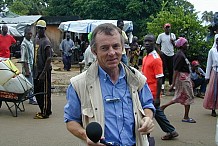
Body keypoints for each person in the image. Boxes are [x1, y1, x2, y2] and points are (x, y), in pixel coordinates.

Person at [64, 23, 155, 146]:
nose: (112, 53)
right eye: (105, 48)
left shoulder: (137, 78)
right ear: (94, 51)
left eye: (116, 46)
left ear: (122, 47)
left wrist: (148, 118)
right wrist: (85, 135)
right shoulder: (78, 85)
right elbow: (71, 121)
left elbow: (148, 104)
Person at [141, 34, 178, 140]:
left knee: (149, 112)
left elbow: (159, 79)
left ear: (154, 43)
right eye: (145, 41)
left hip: (152, 92)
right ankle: (171, 131)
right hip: (145, 90)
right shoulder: (146, 57)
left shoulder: (156, 59)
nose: (147, 43)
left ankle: (147, 134)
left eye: (150, 41)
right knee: (156, 113)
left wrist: (157, 97)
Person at [160, 37, 196, 123]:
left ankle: (163, 107)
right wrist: (173, 84)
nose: (187, 45)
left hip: (185, 77)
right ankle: (186, 117)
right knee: (189, 96)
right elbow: (176, 70)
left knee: (180, 96)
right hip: (183, 78)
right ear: (181, 45)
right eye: (185, 44)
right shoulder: (179, 55)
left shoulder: (181, 54)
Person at [33, 20, 52, 119]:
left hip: (44, 71)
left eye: (41, 28)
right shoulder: (36, 39)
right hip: (37, 70)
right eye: (38, 28)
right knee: (37, 91)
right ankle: (44, 109)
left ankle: (45, 112)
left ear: (45, 29)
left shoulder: (46, 41)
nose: (39, 30)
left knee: (44, 92)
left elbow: (49, 58)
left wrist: (44, 73)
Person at [156, 23, 176, 94]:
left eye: (168, 27)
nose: (167, 29)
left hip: (171, 54)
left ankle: (171, 85)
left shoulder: (173, 35)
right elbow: (157, 44)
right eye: (166, 27)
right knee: (163, 70)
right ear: (164, 28)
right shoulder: (161, 35)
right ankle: (162, 86)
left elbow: (175, 45)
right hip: (164, 54)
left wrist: (173, 41)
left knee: (171, 70)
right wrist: (160, 52)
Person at [20, 26, 37, 105]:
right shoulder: (24, 44)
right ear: (25, 34)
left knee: (31, 83)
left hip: (32, 65)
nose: (30, 35)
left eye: (31, 34)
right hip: (27, 68)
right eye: (28, 34)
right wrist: (27, 70)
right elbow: (23, 59)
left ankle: (28, 96)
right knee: (30, 84)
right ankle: (31, 99)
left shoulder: (30, 42)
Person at [203, 36, 218, 117]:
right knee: (214, 91)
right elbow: (209, 64)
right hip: (215, 72)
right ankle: (213, 108)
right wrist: (207, 76)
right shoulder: (212, 51)